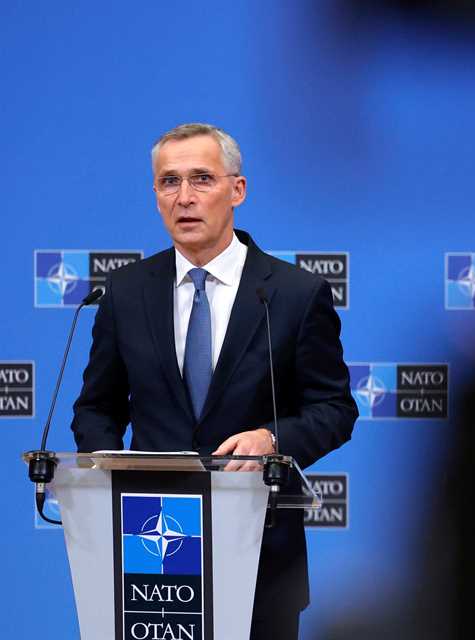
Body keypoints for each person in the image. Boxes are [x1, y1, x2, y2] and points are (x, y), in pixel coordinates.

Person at [71, 123, 358, 639]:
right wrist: (108, 480)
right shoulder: (125, 292)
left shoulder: (294, 294)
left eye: (202, 179)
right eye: (169, 181)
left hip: (261, 549)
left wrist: (272, 439)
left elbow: (335, 410)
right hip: (151, 549)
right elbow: (96, 408)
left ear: (237, 190)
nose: (184, 197)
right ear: (155, 194)